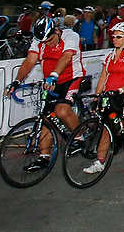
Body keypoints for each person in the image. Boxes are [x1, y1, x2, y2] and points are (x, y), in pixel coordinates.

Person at [5, 16, 85, 172]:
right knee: (45, 117)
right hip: (51, 80)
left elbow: (66, 56)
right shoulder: (39, 40)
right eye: (43, 42)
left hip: (71, 77)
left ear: (56, 31)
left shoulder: (70, 36)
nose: (47, 44)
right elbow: (29, 61)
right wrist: (16, 82)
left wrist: (54, 74)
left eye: (49, 39)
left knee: (61, 110)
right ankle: (43, 157)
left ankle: (79, 136)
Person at [83, 21, 124, 174]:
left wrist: (121, 89)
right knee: (105, 128)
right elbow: (103, 77)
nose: (114, 39)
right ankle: (99, 161)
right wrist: (97, 96)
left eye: (119, 36)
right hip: (109, 95)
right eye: (113, 36)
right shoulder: (109, 55)